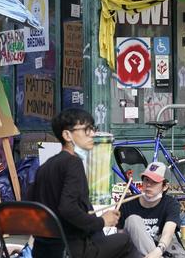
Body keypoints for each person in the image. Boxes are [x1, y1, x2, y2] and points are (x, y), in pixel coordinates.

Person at [28, 108, 132, 258]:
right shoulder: (73, 163)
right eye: (86, 130)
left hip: (43, 250)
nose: (93, 134)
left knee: (99, 236)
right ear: (66, 135)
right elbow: (67, 208)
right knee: (124, 239)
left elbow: (35, 205)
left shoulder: (44, 167)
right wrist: (102, 221)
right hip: (71, 250)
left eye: (93, 128)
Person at [119, 162, 185, 258]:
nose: (148, 184)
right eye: (146, 180)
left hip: (159, 251)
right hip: (133, 253)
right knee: (133, 220)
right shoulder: (126, 203)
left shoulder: (170, 204)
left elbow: (168, 233)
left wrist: (158, 251)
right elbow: (118, 236)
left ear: (165, 186)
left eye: (154, 182)